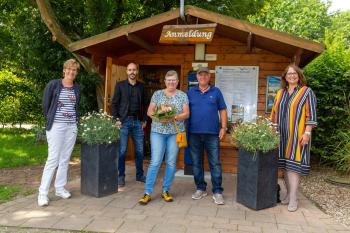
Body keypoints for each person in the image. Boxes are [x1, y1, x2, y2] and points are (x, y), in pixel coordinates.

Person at [270, 64, 317, 212]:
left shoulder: (306, 92)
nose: (292, 76)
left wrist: (307, 133)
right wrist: (272, 130)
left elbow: (311, 115)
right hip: (281, 136)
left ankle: (293, 199)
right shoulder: (280, 93)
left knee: (293, 167)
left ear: (299, 75)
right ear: (285, 76)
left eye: (294, 73)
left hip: (298, 136)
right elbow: (274, 113)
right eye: (289, 74)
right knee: (284, 166)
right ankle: (289, 194)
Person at [138, 70, 189, 205]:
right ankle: (147, 192)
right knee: (155, 161)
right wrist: (159, 117)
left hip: (174, 133)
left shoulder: (183, 95)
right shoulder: (157, 94)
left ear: (177, 82)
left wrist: (175, 116)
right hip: (158, 132)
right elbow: (149, 112)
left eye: (174, 80)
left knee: (171, 162)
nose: (171, 82)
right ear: (165, 82)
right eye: (169, 80)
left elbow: (186, 113)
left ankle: (165, 190)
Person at [38, 58, 80, 207]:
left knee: (65, 158)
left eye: (74, 70)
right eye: (69, 69)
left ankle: (60, 188)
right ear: (64, 70)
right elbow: (45, 105)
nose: (71, 72)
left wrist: (74, 123)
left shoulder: (76, 88)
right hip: (56, 126)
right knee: (53, 159)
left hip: (71, 127)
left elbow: (75, 106)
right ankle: (42, 193)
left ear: (76, 72)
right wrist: (52, 119)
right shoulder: (54, 85)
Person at [187, 67, 228, 205]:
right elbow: (184, 110)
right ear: (197, 77)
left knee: (215, 163)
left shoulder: (216, 92)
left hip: (212, 134)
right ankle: (200, 188)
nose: (202, 77)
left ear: (209, 77)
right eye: (200, 75)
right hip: (194, 133)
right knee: (196, 163)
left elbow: (222, 110)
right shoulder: (190, 92)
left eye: (205, 75)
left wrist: (223, 127)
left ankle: (217, 191)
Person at [111, 63, 148, 187]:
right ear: (127, 71)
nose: (132, 72)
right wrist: (116, 119)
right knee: (122, 151)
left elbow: (146, 104)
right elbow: (114, 103)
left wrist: (145, 120)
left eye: (134, 70)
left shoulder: (142, 87)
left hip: (138, 122)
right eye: (130, 70)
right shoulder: (120, 85)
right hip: (123, 122)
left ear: (137, 71)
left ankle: (139, 175)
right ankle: (120, 176)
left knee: (139, 150)